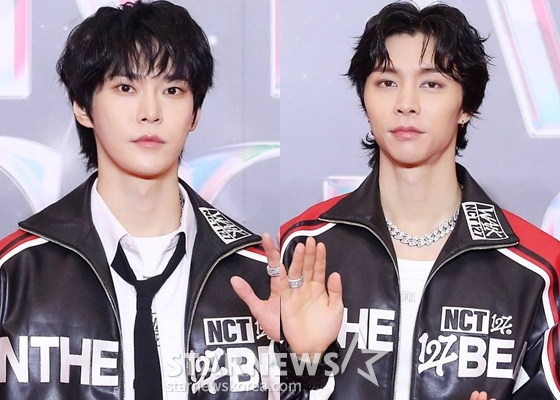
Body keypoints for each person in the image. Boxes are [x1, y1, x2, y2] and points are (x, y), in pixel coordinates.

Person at [275, 2, 560, 399]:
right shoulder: (304, 246)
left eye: (431, 84)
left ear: (467, 107)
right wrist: (303, 360)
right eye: (386, 82)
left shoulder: (536, 267)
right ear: (365, 100)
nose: (406, 103)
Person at [0, 1, 279, 399]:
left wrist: (309, 361)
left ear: (195, 112)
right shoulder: (15, 274)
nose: (150, 112)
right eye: (126, 88)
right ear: (82, 106)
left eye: (172, 90)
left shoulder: (258, 275)